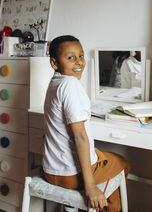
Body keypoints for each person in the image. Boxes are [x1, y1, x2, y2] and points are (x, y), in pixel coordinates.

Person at [42, 35, 130, 211]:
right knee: (122, 163)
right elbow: (80, 137)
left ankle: (73, 207)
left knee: (100, 155)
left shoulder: (55, 83)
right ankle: (109, 207)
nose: (79, 62)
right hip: (70, 175)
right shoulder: (70, 85)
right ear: (54, 63)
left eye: (81, 56)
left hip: (51, 171)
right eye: (71, 57)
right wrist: (90, 186)